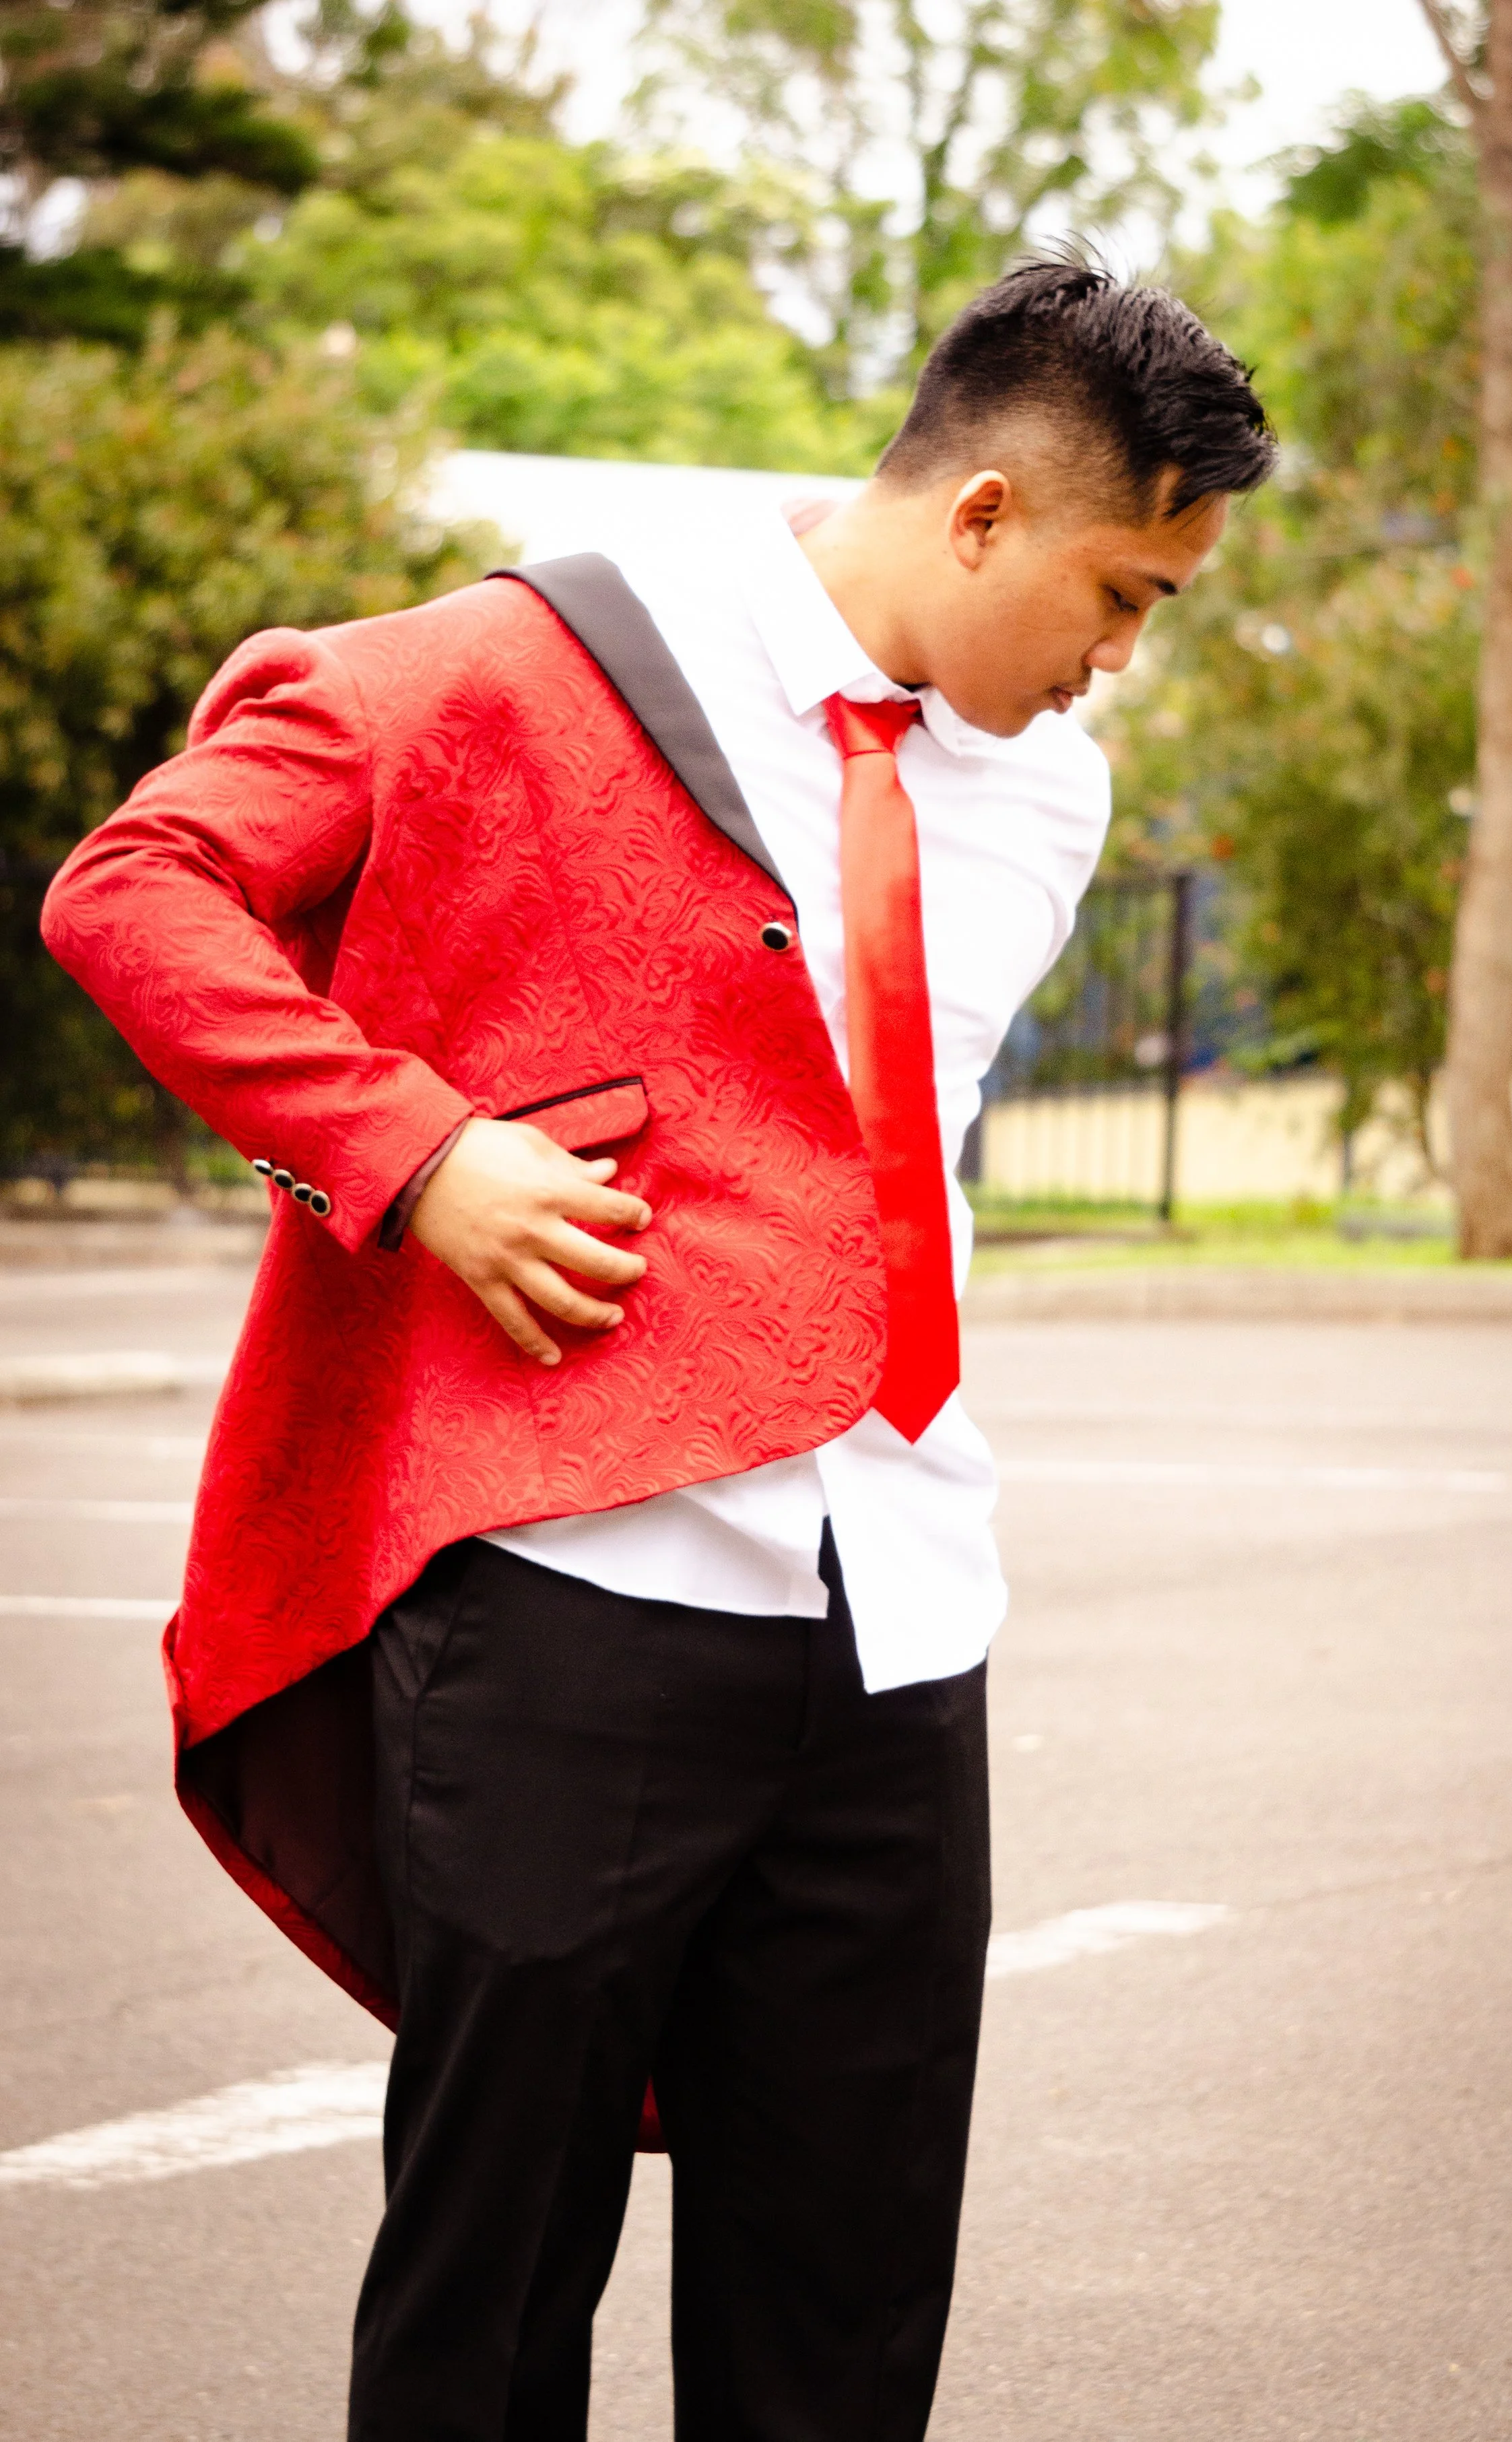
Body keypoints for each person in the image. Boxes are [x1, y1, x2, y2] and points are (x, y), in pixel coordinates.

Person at [42, 255, 1274, 2441]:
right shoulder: (532, 663)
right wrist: (416, 1155)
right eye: (1121, 592)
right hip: (573, 1595)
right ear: (980, 513)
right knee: (492, 2293)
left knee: (846, 2290)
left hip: (901, 1606)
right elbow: (136, 888)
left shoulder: (1041, 797)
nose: (1112, 662)